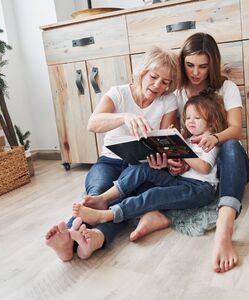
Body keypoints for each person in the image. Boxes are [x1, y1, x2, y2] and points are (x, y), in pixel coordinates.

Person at [129, 32, 249, 273]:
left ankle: (224, 231)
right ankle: (152, 213)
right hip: (196, 168)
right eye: (190, 65)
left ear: (212, 65)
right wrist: (179, 161)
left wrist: (214, 137)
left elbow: (236, 130)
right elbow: (176, 137)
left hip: (229, 164)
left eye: (203, 66)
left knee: (231, 145)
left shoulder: (226, 88)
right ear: (182, 63)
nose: (196, 72)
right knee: (144, 174)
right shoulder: (177, 94)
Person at [45, 47, 180, 261]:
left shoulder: (168, 101)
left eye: (165, 82)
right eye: (154, 77)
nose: (158, 86)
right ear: (142, 72)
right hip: (110, 162)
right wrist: (124, 117)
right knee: (97, 194)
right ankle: (72, 239)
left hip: (141, 168)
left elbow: (164, 141)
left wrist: (162, 160)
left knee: (122, 202)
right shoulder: (118, 93)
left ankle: (85, 239)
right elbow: (92, 123)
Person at [71, 93, 227, 226]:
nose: (190, 121)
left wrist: (181, 152)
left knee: (154, 194)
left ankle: (108, 215)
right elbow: (185, 166)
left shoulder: (209, 141)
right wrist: (172, 157)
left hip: (199, 189)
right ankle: (103, 198)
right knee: (141, 169)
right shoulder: (189, 140)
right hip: (181, 181)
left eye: (197, 117)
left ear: (211, 123)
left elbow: (205, 167)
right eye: (187, 117)